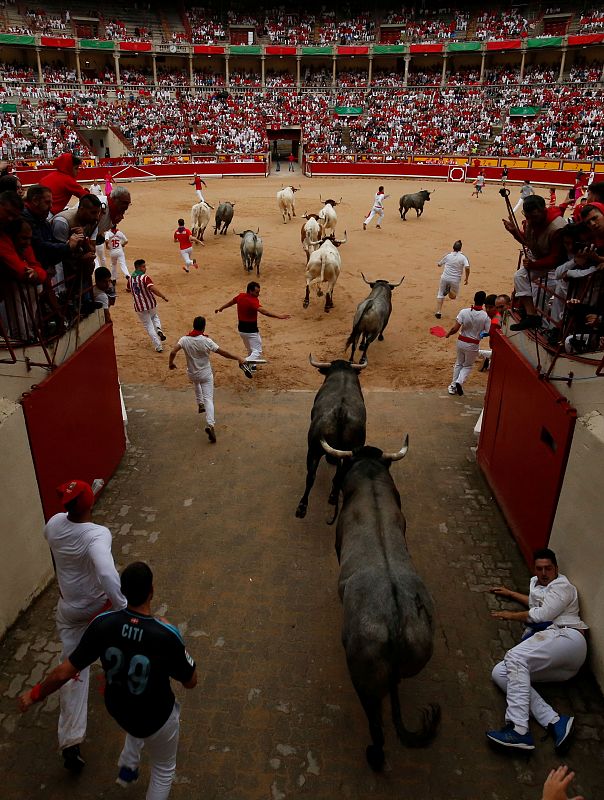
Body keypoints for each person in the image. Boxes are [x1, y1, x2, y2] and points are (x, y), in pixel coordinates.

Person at [19, 561, 197, 798]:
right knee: (163, 769)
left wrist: (34, 695)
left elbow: (64, 672)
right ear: (151, 591)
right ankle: (131, 768)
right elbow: (191, 682)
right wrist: (179, 641)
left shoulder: (102, 624)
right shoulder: (165, 635)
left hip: (120, 708)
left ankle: (127, 769)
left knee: (135, 723)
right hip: (157, 717)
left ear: (122, 591)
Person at [40, 479, 126, 772]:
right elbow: (106, 572)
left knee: (73, 669)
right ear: (91, 504)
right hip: (98, 610)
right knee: (117, 647)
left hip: (69, 610)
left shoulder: (53, 525)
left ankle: (71, 741)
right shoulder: (97, 535)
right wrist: (122, 606)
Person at [486, 548, 587, 753]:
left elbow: (541, 614)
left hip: (569, 639)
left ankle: (518, 729)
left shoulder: (562, 587)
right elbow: (535, 602)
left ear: (556, 569)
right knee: (501, 672)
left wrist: (511, 615)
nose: (543, 573)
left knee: (514, 657)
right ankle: (555, 721)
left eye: (548, 568)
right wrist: (511, 593)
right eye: (539, 568)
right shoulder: (537, 584)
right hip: (560, 658)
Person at [169, 315, 251, 443]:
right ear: (204, 327)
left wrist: (171, 363)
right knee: (209, 399)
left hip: (192, 373)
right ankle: (210, 424)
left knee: (196, 383)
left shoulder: (184, 339)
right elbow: (223, 353)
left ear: (194, 325)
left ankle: (199, 403)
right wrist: (238, 357)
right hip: (206, 374)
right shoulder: (206, 341)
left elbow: (173, 352)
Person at [502, 194, 567, 331]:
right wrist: (514, 232)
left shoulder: (557, 227)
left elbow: (556, 258)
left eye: (534, 217)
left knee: (549, 300)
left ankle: (544, 324)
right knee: (520, 277)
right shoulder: (532, 222)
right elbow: (529, 242)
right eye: (528, 217)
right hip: (542, 263)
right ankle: (532, 316)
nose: (531, 221)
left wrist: (533, 265)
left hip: (557, 268)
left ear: (544, 211)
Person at [215, 280, 290, 366]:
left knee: (250, 350)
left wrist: (221, 308)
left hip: (241, 330)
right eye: (256, 292)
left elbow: (230, 302)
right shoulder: (252, 301)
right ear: (250, 291)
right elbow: (264, 312)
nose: (258, 294)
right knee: (257, 351)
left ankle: (252, 366)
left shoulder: (240, 296)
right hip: (251, 330)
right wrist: (279, 316)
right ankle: (244, 361)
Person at [444, 290, 490, 396]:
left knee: (459, 363)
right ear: (483, 302)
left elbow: (455, 328)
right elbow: (487, 332)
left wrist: (448, 334)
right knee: (467, 366)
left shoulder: (464, 312)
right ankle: (459, 382)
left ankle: (452, 386)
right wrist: (481, 334)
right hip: (473, 344)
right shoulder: (485, 316)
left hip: (461, 341)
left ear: (474, 299)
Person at [128, 259, 168, 352]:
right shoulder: (144, 278)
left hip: (139, 307)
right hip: (151, 304)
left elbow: (129, 288)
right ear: (139, 267)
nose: (145, 268)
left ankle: (158, 346)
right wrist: (163, 296)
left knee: (149, 325)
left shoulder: (130, 279)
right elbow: (153, 289)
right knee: (155, 317)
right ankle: (158, 329)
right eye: (143, 266)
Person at [434, 239, 470, 319]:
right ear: (460, 248)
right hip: (455, 280)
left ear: (453, 248)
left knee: (440, 293)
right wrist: (467, 278)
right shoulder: (463, 257)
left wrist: (442, 259)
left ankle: (438, 312)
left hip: (445, 277)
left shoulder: (448, 255)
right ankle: (449, 291)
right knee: (452, 297)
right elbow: (467, 267)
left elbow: (439, 264)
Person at [478, 293, 501, 372]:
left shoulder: (496, 320)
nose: (487, 310)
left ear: (496, 307)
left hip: (499, 350)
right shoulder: (494, 317)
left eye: (491, 307)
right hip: (495, 349)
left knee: (491, 369)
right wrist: (489, 333)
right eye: (486, 307)